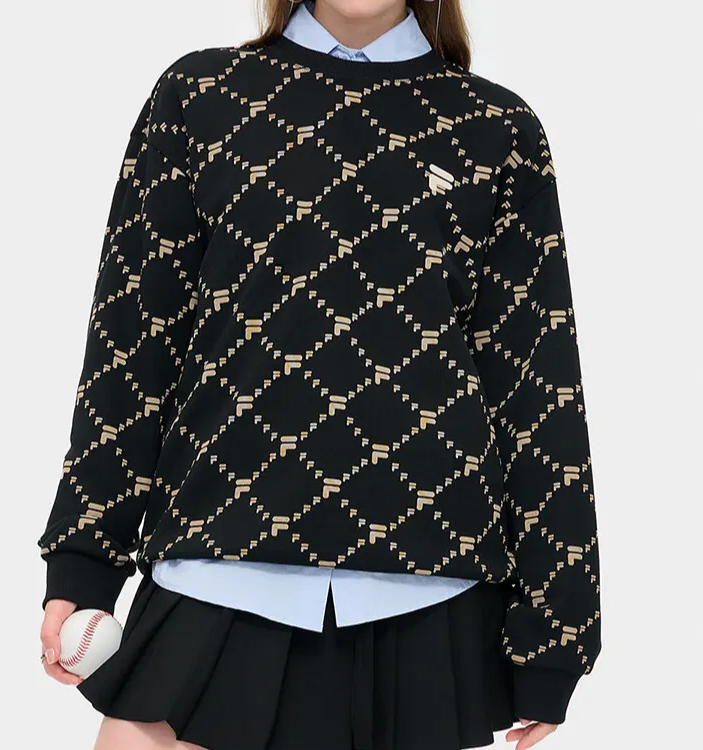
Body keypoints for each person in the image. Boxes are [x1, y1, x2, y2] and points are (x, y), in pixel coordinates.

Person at [37, 2, 602, 749]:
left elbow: (538, 391)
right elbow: (132, 344)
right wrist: (83, 561)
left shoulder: (496, 128)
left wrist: (555, 636)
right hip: (215, 571)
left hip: (428, 606)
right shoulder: (202, 96)